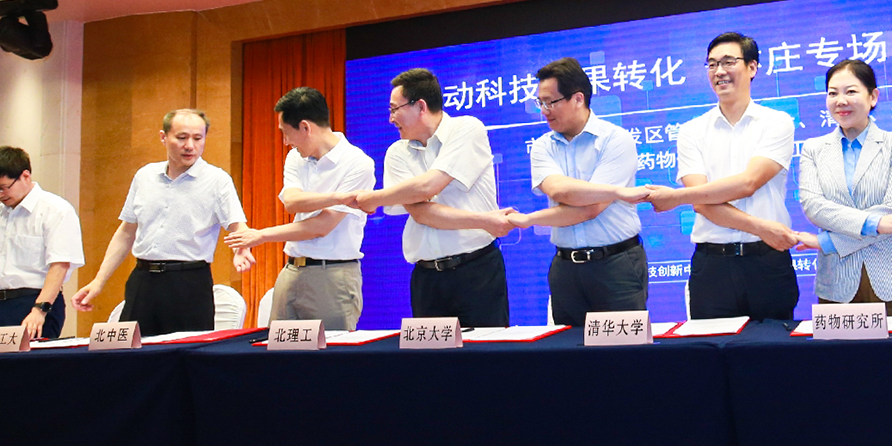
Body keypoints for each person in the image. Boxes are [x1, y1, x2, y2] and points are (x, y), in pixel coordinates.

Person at [646, 32, 801, 321]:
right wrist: (761, 227)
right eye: (712, 64)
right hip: (712, 267)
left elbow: (748, 183)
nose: (719, 71)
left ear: (752, 67)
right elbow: (702, 203)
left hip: (767, 263)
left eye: (729, 62)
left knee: (774, 346)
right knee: (711, 346)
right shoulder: (691, 131)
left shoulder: (777, 122)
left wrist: (676, 197)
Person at [344, 68, 514, 326]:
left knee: (486, 349)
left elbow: (428, 186)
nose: (391, 119)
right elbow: (421, 212)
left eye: (394, 109)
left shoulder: (466, 129)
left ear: (420, 106)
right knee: (430, 352)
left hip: (477, 270)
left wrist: (374, 198)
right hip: (426, 278)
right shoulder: (397, 152)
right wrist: (484, 220)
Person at [72, 108, 256, 335]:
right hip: (142, 280)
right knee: (132, 350)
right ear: (163, 137)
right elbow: (126, 231)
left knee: (184, 352)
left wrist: (242, 248)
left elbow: (238, 226)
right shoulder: (145, 176)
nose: (190, 145)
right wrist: (99, 281)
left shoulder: (217, 180)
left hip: (189, 283)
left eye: (198, 138)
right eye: (182, 137)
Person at [506, 58, 653, 326]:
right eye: (540, 103)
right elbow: (558, 190)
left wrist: (530, 219)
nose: (544, 111)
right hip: (566, 269)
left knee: (626, 348)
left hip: (617, 264)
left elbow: (591, 208)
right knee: (568, 349)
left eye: (551, 102)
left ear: (578, 99)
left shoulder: (615, 139)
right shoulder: (542, 146)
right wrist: (617, 192)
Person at [223, 87, 374, 330]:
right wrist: (338, 197)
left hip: (332, 275)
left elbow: (321, 226)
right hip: (291, 270)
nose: (286, 142)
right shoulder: (296, 157)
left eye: (286, 133)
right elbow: (292, 201)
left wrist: (261, 235)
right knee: (279, 347)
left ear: (305, 127)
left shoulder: (358, 164)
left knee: (331, 350)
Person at [794, 59, 892, 315]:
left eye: (851, 91)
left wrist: (828, 242)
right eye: (832, 93)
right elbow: (815, 207)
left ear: (873, 96)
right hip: (837, 285)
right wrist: (876, 223)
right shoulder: (813, 149)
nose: (840, 101)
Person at [0, 146, 84, 342]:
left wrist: (39, 310)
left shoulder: (55, 210)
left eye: (3, 187)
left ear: (25, 176)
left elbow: (59, 265)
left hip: (36, 303)